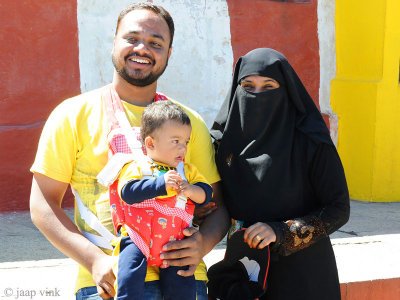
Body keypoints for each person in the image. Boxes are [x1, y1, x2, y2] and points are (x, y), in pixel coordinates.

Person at [29, 2, 229, 300]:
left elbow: (218, 207)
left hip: (185, 279)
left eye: (155, 43)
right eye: (132, 38)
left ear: (169, 53)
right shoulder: (72, 114)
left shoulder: (190, 123)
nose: (142, 48)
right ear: (114, 41)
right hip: (111, 282)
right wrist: (95, 261)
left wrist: (201, 245)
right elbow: (43, 204)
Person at [209, 48, 350, 300]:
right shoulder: (223, 145)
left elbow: (338, 208)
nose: (257, 94)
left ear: (286, 90)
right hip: (244, 271)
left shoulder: (310, 141)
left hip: (303, 275)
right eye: (248, 86)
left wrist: (281, 231)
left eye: (269, 86)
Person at [111, 101, 213, 299]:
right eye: (175, 141)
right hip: (137, 237)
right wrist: (159, 185)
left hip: (174, 242)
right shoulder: (136, 167)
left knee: (182, 282)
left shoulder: (187, 171)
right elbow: (127, 192)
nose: (182, 148)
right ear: (150, 143)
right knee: (128, 275)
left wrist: (191, 190)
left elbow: (206, 195)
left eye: (186, 142)